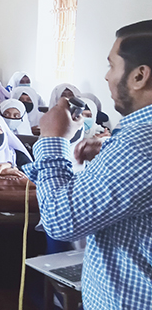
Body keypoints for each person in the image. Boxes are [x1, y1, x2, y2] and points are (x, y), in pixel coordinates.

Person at [19, 21, 152, 309]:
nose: (106, 77)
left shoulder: (139, 144)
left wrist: (54, 139)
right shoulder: (137, 143)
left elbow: (59, 221)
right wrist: (108, 152)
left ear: (140, 76)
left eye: (111, 65)